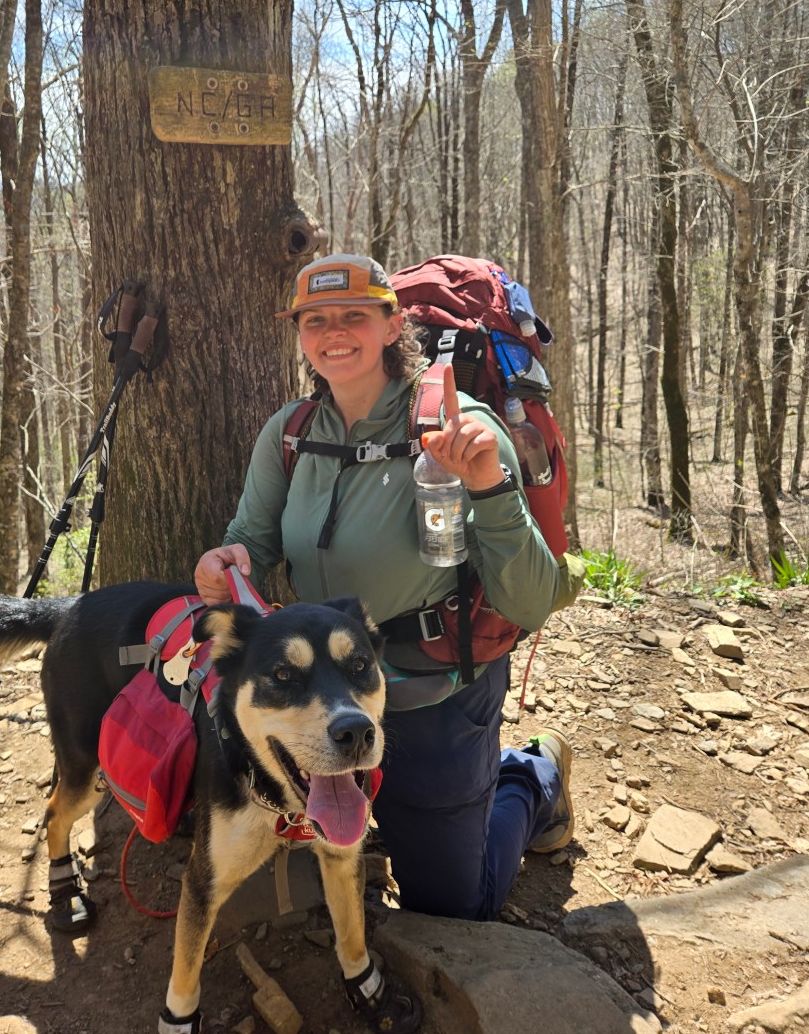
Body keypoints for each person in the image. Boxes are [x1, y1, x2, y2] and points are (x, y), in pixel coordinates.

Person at [195, 254, 582, 922]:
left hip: (433, 690)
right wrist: (228, 564)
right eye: (315, 321)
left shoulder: (457, 428)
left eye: (354, 316)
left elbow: (532, 601)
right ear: (299, 334)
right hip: (328, 695)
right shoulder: (289, 435)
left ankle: (533, 773)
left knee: (453, 905)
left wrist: (488, 485)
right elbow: (252, 542)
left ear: (391, 324)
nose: (333, 333)